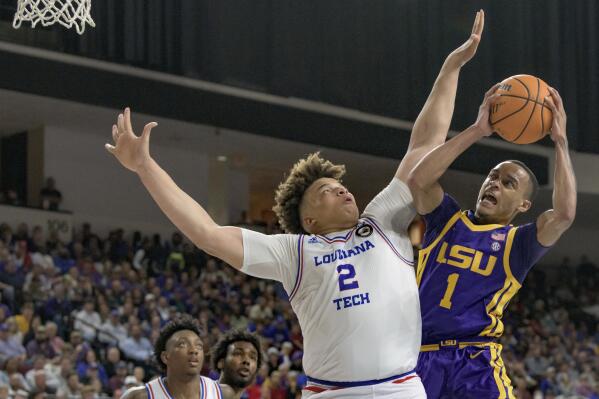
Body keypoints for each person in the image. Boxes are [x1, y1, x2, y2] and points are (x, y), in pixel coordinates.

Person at [107, 11, 486, 398]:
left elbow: (423, 145)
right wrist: (144, 167)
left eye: (341, 186)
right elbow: (206, 233)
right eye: (326, 190)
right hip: (332, 393)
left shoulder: (384, 219)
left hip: (401, 388)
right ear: (308, 218)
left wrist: (450, 69)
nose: (341, 191)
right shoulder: (296, 252)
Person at [407, 83, 576, 398]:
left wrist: (561, 142)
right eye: (493, 177)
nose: (494, 184)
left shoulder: (519, 243)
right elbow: (418, 180)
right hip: (418, 358)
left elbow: (564, 215)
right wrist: (476, 130)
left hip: (475, 362)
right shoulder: (447, 219)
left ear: (523, 205)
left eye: (508, 183)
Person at [121, 315, 242, 399]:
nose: (194, 350)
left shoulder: (224, 394)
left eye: (199, 346)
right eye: (182, 344)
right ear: (166, 357)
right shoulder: (138, 396)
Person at [211, 329, 262, 399]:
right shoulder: (202, 390)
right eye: (238, 353)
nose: (246, 361)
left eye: (252, 357)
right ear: (221, 363)